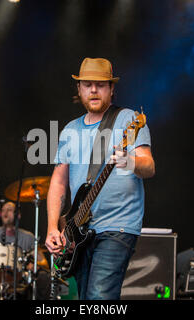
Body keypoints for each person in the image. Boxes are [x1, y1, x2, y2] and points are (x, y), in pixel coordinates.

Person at [45, 57, 155, 300]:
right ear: (79, 89)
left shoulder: (129, 120)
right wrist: (53, 226)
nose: (93, 90)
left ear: (112, 89)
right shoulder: (70, 130)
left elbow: (149, 167)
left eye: (101, 84)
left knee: (99, 297)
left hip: (117, 226)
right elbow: (58, 183)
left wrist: (130, 161)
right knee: (84, 298)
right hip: (79, 232)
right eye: (87, 84)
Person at [0, 201, 50, 299]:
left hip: (19, 281)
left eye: (9, 210)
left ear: (18, 215)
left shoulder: (28, 237)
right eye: (3, 210)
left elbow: (43, 262)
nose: (5, 213)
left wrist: (33, 265)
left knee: (44, 277)